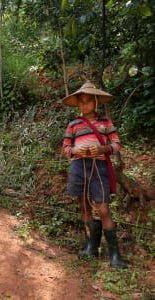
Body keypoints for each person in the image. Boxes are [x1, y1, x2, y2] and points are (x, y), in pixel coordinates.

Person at [62, 80, 127, 268]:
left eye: (89, 101)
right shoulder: (73, 124)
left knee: (103, 207)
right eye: (81, 101)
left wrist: (102, 148)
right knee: (84, 206)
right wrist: (74, 151)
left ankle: (115, 255)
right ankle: (91, 246)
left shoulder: (106, 123)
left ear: (96, 102)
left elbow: (117, 145)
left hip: (99, 168)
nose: (84, 104)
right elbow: (66, 147)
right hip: (78, 167)